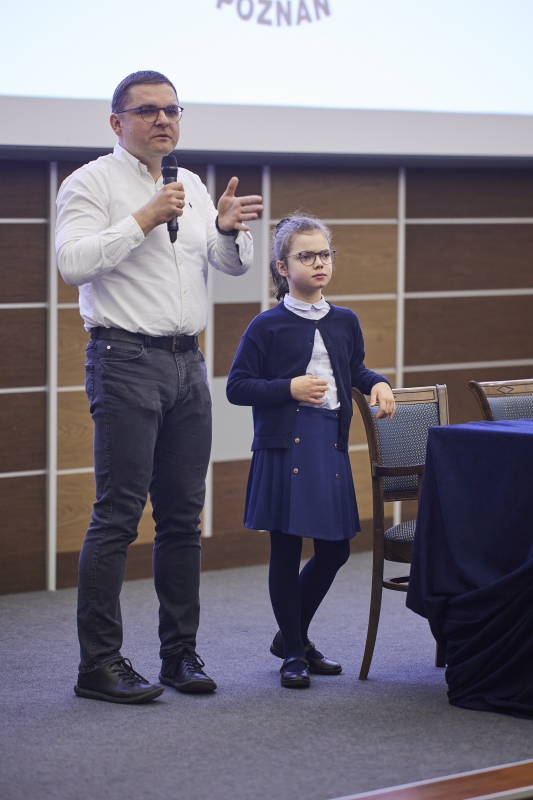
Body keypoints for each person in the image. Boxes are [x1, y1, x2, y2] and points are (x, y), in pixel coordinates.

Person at [56, 70, 263, 704]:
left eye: (172, 109)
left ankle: (180, 655)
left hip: (186, 363)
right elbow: (72, 265)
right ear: (117, 122)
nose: (163, 120)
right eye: (147, 110)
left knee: (181, 518)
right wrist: (144, 217)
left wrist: (226, 229)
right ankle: (99, 664)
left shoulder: (191, 185)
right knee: (118, 515)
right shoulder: (90, 182)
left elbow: (229, 265)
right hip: (123, 359)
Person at [226, 214, 395, 688]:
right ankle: (295, 653)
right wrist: (289, 387)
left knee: (336, 549)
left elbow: (354, 369)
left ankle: (289, 635)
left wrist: (378, 382)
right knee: (285, 547)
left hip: (328, 442)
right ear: (282, 267)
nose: (319, 263)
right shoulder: (266, 325)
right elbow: (237, 387)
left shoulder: (345, 320)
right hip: (283, 444)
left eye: (325, 254)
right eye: (307, 256)